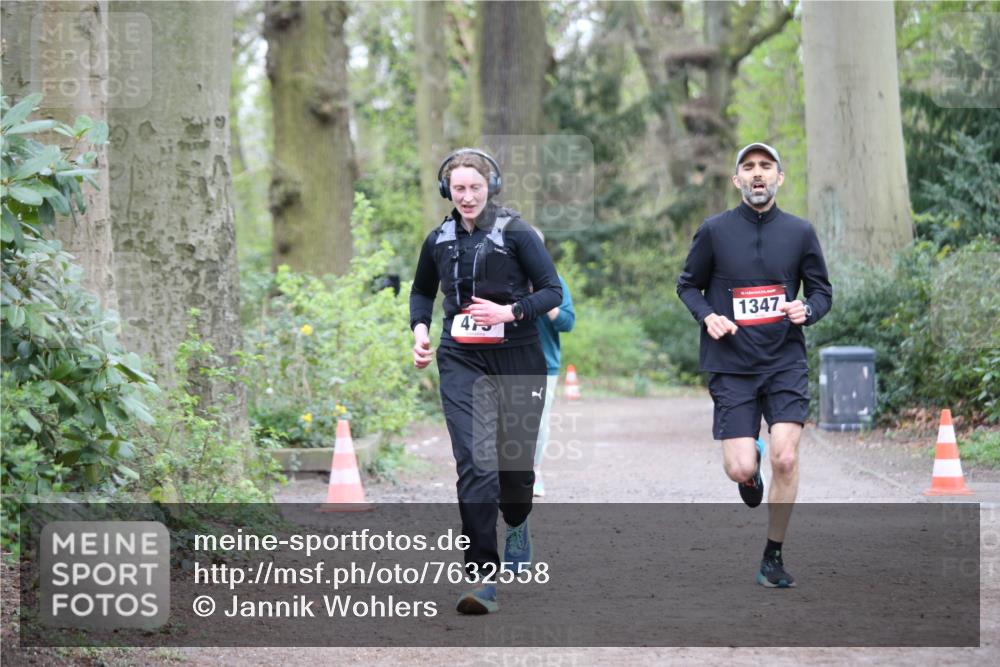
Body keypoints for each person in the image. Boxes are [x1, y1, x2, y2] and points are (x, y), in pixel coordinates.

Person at [410, 148, 561, 614]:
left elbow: (553, 290)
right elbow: (421, 291)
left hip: (518, 358)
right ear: (447, 192)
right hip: (461, 360)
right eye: (459, 188)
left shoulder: (516, 232)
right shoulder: (438, 238)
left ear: (490, 187)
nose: (468, 195)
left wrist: (511, 311)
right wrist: (420, 332)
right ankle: (481, 578)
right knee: (475, 463)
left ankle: (517, 520)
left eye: (475, 187)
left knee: (515, 477)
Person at [676, 142, 832, 588]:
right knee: (742, 468)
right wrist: (708, 316)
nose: (757, 174)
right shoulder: (714, 231)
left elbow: (822, 291)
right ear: (737, 180)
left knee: (786, 458)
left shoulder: (800, 232)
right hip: (731, 364)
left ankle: (772, 556)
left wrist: (809, 309)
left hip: (784, 360)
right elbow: (687, 285)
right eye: (749, 167)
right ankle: (751, 464)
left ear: (780, 178)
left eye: (766, 167)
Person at [530, 228, 575, 497]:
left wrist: (546, 300)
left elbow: (568, 322)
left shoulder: (554, 281)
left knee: (535, 422)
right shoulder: (503, 279)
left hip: (543, 363)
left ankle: (534, 471)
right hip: (505, 360)